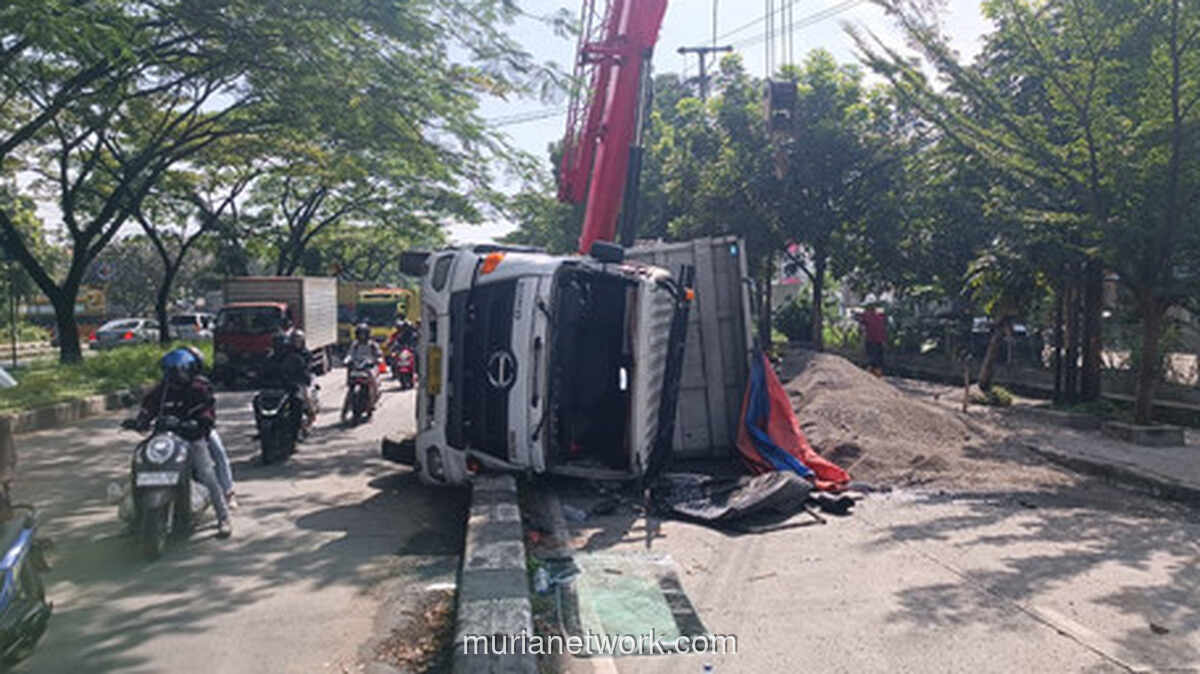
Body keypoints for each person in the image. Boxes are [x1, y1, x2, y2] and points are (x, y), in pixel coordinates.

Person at [135, 348, 232, 538]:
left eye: (178, 371)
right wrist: (140, 421)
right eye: (170, 371)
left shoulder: (199, 388)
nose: (175, 375)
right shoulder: (162, 390)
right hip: (163, 439)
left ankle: (223, 517)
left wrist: (199, 422)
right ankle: (135, 517)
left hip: (191, 438)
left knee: (206, 474)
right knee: (141, 464)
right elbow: (148, 407)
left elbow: (207, 411)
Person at [179, 345, 237, 509]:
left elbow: (208, 408)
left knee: (218, 452)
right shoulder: (167, 385)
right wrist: (142, 418)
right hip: (173, 431)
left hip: (199, 429)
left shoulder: (201, 385)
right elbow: (151, 403)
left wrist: (204, 421)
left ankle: (228, 492)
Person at [265, 329, 317, 431]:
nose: (296, 342)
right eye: (294, 340)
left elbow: (306, 367)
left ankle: (310, 417)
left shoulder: (304, 353)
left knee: (303, 397)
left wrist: (304, 374)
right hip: (284, 382)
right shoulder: (281, 354)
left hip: (300, 380)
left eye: (298, 340)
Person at [344, 322, 382, 410]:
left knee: (373, 379)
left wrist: (378, 359)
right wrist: (347, 360)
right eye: (360, 334)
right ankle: (347, 403)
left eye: (364, 334)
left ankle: (374, 397)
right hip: (357, 366)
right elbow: (350, 354)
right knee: (350, 377)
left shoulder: (372, 344)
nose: (362, 336)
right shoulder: (355, 345)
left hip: (369, 367)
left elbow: (379, 354)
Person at [856, 303, 888, 377]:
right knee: (878, 357)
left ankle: (872, 372)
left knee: (872, 356)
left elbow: (861, 323)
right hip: (880, 340)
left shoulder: (867, 315)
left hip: (872, 339)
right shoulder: (880, 314)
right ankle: (876, 372)